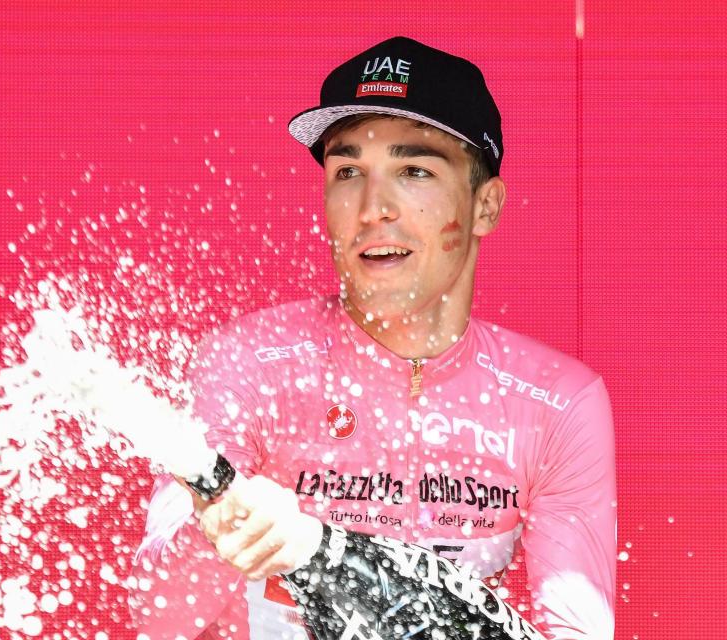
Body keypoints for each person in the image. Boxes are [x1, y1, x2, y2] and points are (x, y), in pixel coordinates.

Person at [129, 36, 616, 640]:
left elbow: (577, 632)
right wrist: (220, 534)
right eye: (349, 171)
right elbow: (153, 615)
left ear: (485, 206)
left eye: (414, 171)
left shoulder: (557, 402)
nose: (371, 208)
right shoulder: (250, 362)